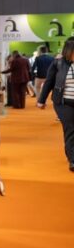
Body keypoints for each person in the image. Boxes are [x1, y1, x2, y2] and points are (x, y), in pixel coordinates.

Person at [37, 37, 74, 172]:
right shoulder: (58, 63)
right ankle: (73, 159)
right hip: (64, 103)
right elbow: (49, 81)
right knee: (70, 128)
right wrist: (41, 100)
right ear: (68, 51)